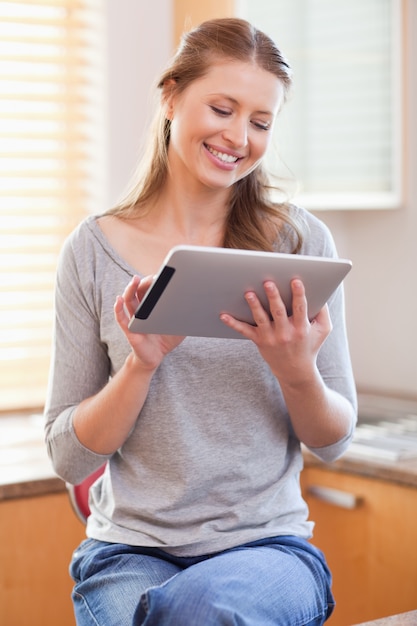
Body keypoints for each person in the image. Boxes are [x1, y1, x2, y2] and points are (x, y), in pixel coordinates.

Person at [44, 17, 357, 626]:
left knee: (198, 612)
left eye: (261, 122)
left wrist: (296, 373)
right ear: (170, 97)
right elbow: (69, 457)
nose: (240, 136)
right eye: (222, 108)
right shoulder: (92, 252)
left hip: (268, 549)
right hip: (129, 552)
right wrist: (141, 364)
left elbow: (335, 440)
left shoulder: (298, 244)